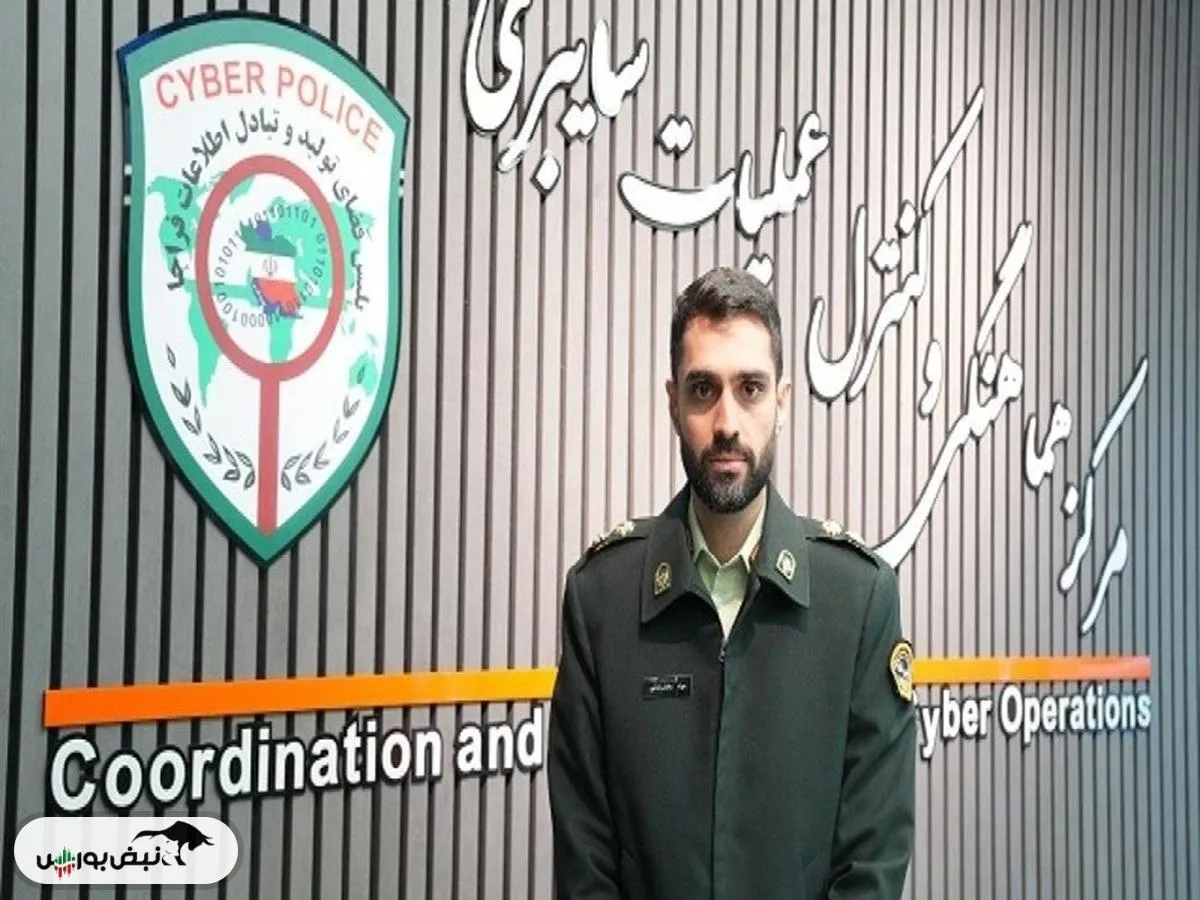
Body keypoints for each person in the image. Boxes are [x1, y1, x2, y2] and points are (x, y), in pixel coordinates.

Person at [547, 266, 916, 900]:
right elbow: (586, 865)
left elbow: (872, 864)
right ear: (672, 403)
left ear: (783, 402)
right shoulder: (600, 600)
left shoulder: (858, 601)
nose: (726, 422)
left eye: (750, 388)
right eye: (703, 389)